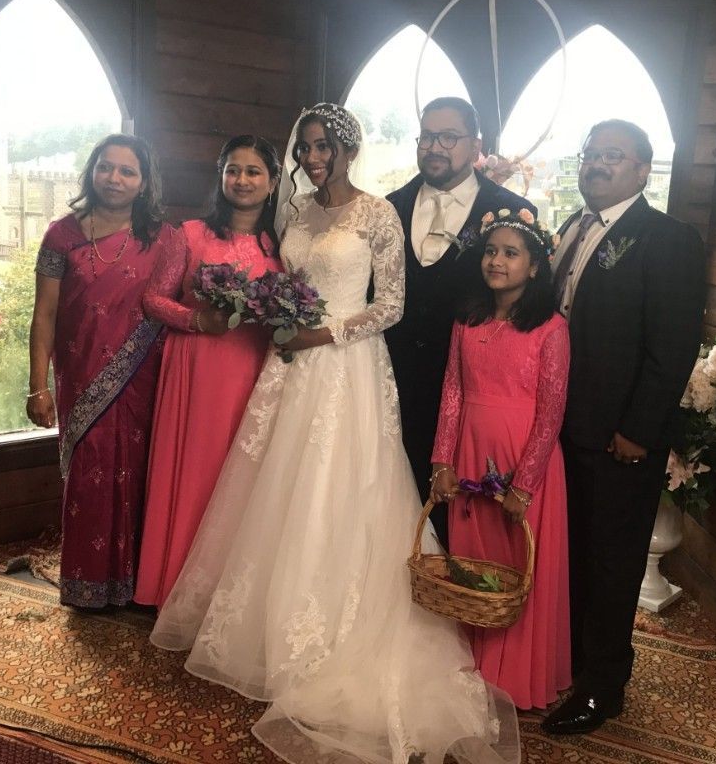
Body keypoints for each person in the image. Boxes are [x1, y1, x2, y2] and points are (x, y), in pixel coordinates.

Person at [150, 103, 519, 764]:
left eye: (325, 147)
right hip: (289, 365)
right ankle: (268, 625)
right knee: (277, 485)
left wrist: (323, 332)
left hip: (346, 365)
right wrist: (272, 311)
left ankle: (335, 629)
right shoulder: (294, 213)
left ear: (347, 148)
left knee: (338, 486)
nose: (314, 158)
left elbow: (392, 304)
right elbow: (289, 282)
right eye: (307, 148)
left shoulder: (378, 213)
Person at [542, 120, 706, 734]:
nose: (597, 165)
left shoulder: (668, 239)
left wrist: (638, 429)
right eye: (591, 154)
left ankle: (601, 688)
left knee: (611, 565)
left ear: (644, 170)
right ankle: (567, 664)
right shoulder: (571, 228)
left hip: (619, 438)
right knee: (572, 555)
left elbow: (673, 346)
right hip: (561, 430)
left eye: (614, 156)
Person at [429, 209, 571, 710]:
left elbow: (552, 411)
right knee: (474, 560)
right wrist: (442, 461)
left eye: (511, 253)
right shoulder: (467, 320)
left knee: (519, 565)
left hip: (521, 460)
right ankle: (475, 665)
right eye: (491, 251)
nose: (497, 261)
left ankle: (517, 675)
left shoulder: (550, 329)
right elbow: (451, 390)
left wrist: (524, 483)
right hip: (470, 449)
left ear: (534, 267)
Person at [134, 136, 283, 608]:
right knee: (197, 469)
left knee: (240, 473)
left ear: (273, 181)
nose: (242, 180)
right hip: (197, 366)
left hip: (253, 367)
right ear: (221, 177)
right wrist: (198, 320)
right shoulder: (191, 234)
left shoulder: (281, 244)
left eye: (254, 171)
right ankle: (175, 587)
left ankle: (228, 597)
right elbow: (154, 299)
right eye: (233, 170)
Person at [26, 134, 169, 609]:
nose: (115, 178)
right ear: (92, 170)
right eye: (107, 167)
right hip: (81, 377)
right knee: (89, 477)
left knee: (138, 473)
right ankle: (87, 585)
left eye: (128, 171)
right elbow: (43, 316)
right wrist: (37, 387)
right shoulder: (60, 235)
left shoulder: (162, 239)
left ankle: (135, 584)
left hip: (144, 378)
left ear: (144, 182)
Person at [385, 97, 535, 548]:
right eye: (427, 136)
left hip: (469, 393)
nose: (435, 146)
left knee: (457, 513)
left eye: (448, 137)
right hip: (388, 379)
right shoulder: (389, 206)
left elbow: (521, 305)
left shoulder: (510, 210)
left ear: (476, 145)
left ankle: (453, 604)